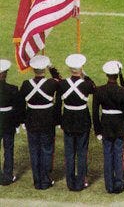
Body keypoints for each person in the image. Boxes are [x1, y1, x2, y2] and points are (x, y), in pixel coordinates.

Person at [20, 55, 60, 190]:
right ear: (44, 68)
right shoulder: (51, 83)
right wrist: (52, 67)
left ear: (33, 69)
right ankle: (45, 179)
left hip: (31, 120)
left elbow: (21, 105)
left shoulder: (26, 84)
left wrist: (23, 120)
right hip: (47, 120)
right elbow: (60, 81)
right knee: (47, 149)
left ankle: (37, 180)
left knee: (34, 150)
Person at [92, 60, 124, 194]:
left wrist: (97, 131)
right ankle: (119, 184)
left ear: (106, 74)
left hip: (105, 126)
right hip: (120, 126)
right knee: (118, 155)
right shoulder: (123, 92)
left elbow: (95, 113)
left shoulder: (99, 90)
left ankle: (109, 185)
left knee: (107, 155)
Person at [58, 53, 95, 191]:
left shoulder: (62, 84)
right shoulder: (86, 85)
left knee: (69, 153)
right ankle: (80, 182)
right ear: (81, 68)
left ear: (69, 68)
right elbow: (94, 87)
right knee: (81, 152)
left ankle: (70, 182)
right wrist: (84, 75)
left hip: (67, 119)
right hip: (82, 120)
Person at [0, 59, 23, 185]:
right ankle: (7, 176)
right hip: (8, 121)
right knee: (8, 149)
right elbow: (18, 108)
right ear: (3, 74)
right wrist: (17, 123)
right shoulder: (13, 89)